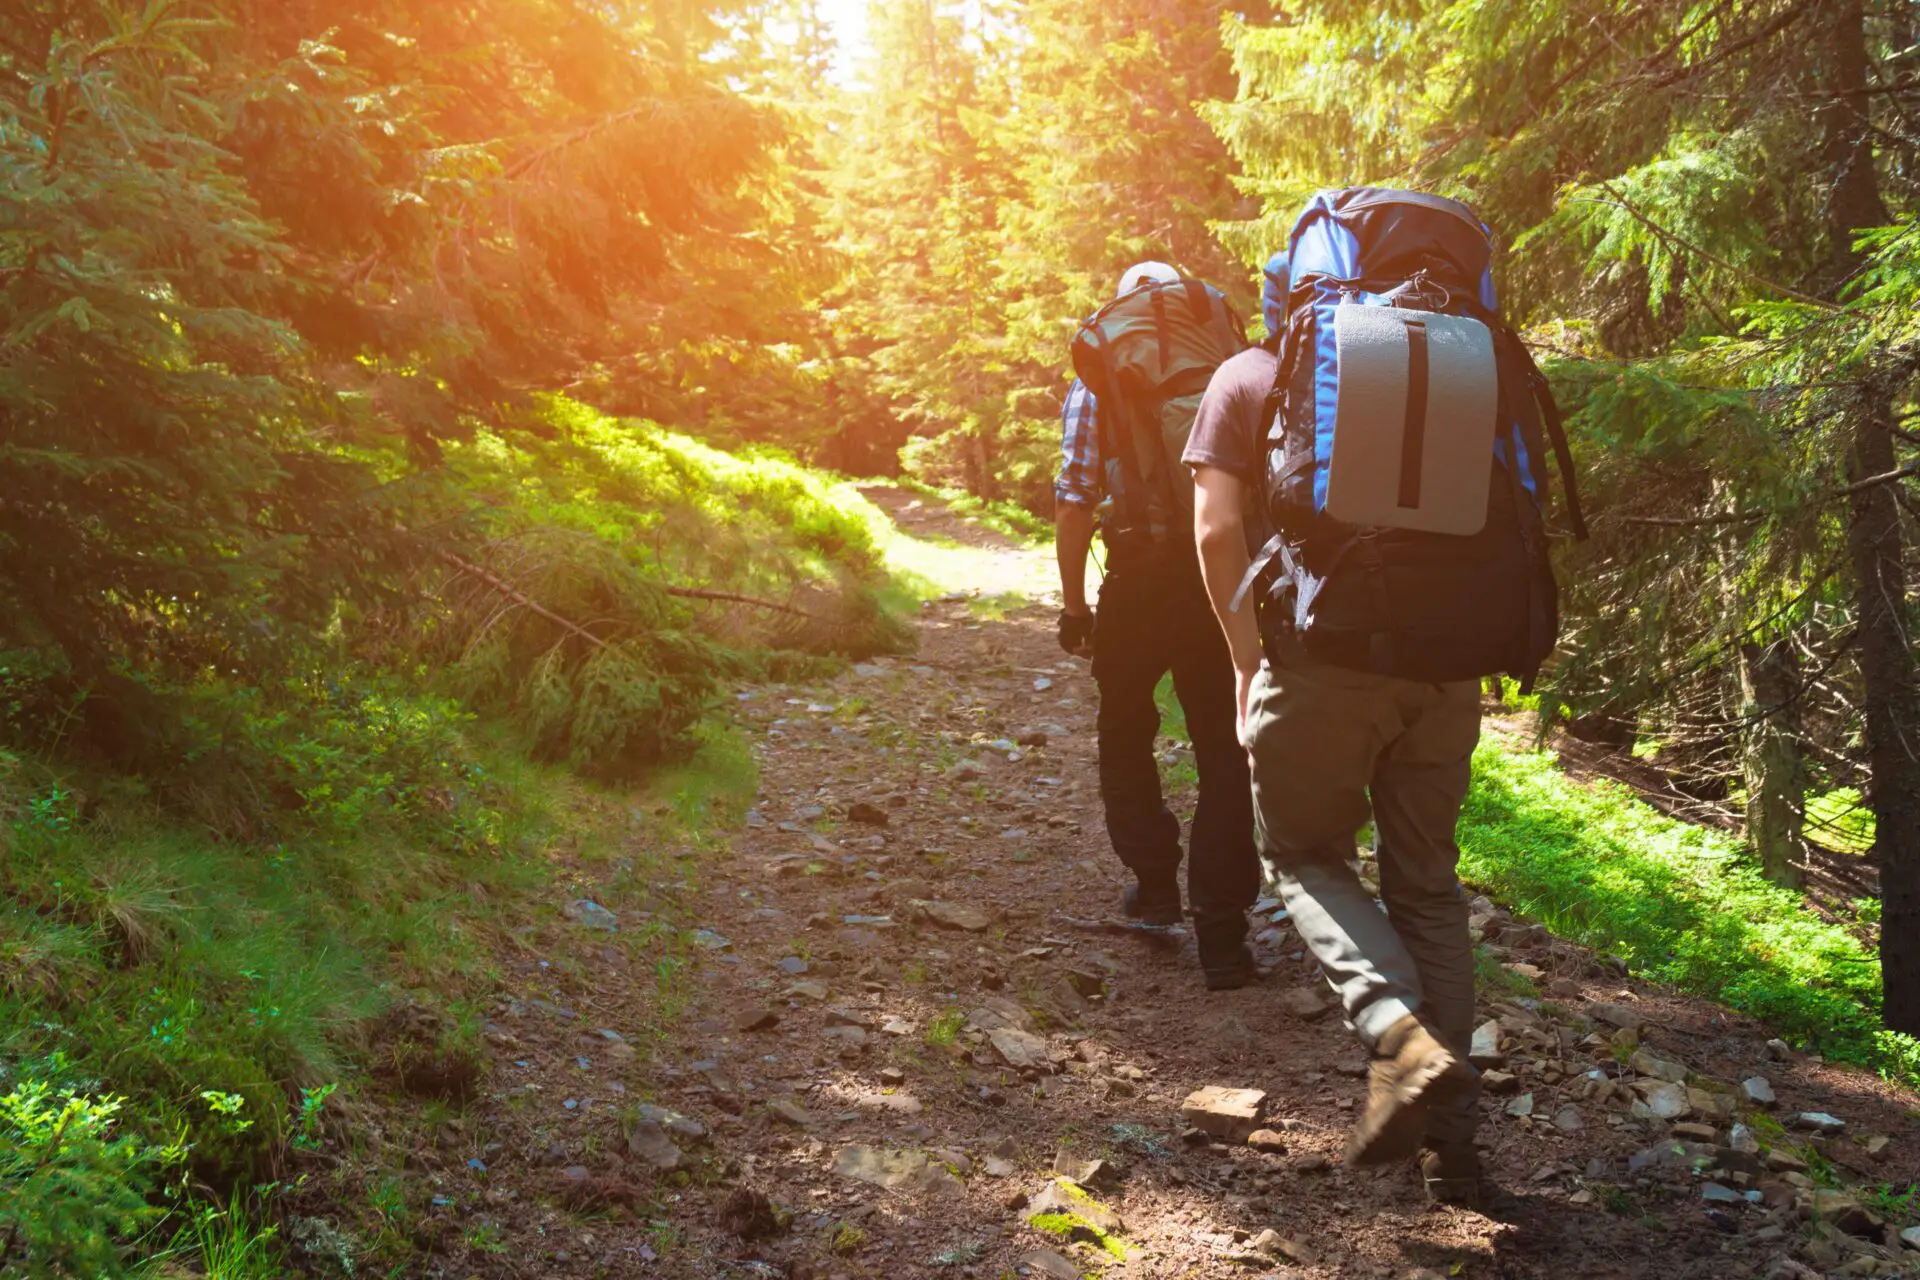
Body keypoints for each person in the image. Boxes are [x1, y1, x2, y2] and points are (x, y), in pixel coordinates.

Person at [1185, 251, 1484, 1204]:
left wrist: (1243, 662)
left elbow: (1215, 531)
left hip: (1323, 661)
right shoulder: (1460, 361)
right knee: (1429, 888)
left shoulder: (1250, 373)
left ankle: (1398, 1035)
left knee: (1305, 855)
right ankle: (1457, 1147)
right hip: (1446, 665)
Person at [1055, 260, 1261, 991]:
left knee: (1124, 727)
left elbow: (1076, 500)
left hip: (1137, 576)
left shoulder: (1098, 380)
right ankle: (1225, 936)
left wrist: (1075, 605)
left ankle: (1153, 887)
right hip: (1214, 577)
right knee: (1223, 745)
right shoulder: (1230, 369)